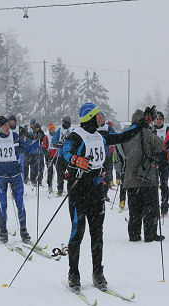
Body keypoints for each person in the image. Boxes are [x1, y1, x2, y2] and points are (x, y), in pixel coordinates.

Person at [62, 102, 150, 290]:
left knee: (97, 233)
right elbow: (65, 151)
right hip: (78, 190)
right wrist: (76, 159)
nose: (100, 118)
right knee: (77, 232)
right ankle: (73, 273)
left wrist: (141, 124)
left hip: (95, 190)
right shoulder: (75, 136)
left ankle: (97, 272)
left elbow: (122, 136)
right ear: (88, 118)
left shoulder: (101, 136)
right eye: (96, 116)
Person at [0, 116, 33, 243]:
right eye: (4, 125)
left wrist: (38, 144)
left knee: (20, 204)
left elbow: (28, 147)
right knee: (3, 205)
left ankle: (24, 230)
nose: (7, 127)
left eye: (8, 125)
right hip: (0, 177)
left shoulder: (15, 136)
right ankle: (3, 231)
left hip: (15, 175)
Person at [122, 109, 165, 242]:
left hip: (130, 178)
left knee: (134, 210)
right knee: (150, 208)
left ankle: (134, 234)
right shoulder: (146, 132)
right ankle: (150, 234)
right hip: (146, 176)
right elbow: (160, 146)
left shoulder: (125, 134)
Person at [152, 111, 169, 215]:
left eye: (160, 119)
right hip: (154, 160)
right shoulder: (151, 130)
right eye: (156, 119)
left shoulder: (167, 129)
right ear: (154, 120)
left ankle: (164, 206)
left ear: (163, 120)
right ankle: (154, 205)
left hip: (164, 160)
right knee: (154, 184)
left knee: (164, 184)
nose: (158, 121)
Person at [51, 116, 72, 196]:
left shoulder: (71, 131)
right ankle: (60, 189)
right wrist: (57, 144)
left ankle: (70, 189)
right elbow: (53, 141)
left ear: (68, 123)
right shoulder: (60, 130)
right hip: (60, 156)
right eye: (62, 122)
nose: (62, 124)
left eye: (64, 122)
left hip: (69, 156)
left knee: (70, 174)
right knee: (60, 174)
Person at [43, 123, 58, 193]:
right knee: (50, 171)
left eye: (53, 129)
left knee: (59, 171)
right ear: (49, 130)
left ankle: (59, 186)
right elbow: (43, 146)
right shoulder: (47, 136)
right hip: (49, 156)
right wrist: (46, 152)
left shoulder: (57, 135)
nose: (52, 130)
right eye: (51, 129)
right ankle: (49, 185)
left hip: (56, 155)